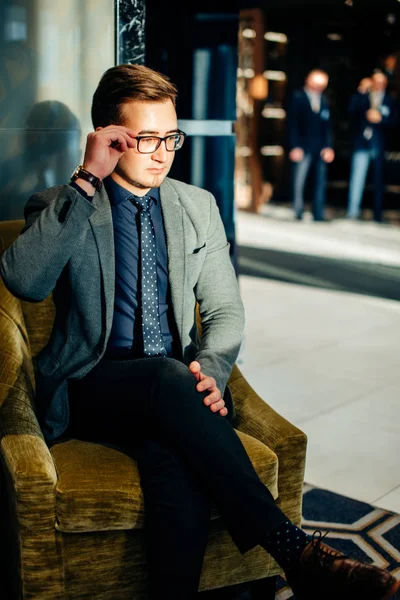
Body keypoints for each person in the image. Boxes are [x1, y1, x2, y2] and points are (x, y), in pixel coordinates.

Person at [1, 63, 399, 600]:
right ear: (111, 139)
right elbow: (24, 280)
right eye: (146, 139)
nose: (163, 152)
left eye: (171, 136)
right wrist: (88, 176)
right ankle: (293, 549)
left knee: (177, 466)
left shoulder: (197, 206)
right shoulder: (63, 204)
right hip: (94, 386)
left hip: (178, 391)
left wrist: (210, 369)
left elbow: (226, 311)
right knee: (167, 379)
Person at [346, 70, 397, 222]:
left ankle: (377, 213)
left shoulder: (390, 101)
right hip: (362, 142)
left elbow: (395, 122)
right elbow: (350, 111)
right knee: (357, 176)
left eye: (382, 83)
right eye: (376, 82)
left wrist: (380, 119)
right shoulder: (363, 98)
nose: (379, 85)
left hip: (378, 144)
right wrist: (362, 91)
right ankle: (353, 211)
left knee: (378, 180)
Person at [287, 68, 335, 221]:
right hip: (303, 145)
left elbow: (327, 127)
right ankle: (298, 209)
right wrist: (295, 146)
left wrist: (328, 147)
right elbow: (292, 125)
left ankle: (318, 211)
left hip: (319, 146)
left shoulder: (324, 100)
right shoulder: (298, 98)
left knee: (320, 180)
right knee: (300, 179)